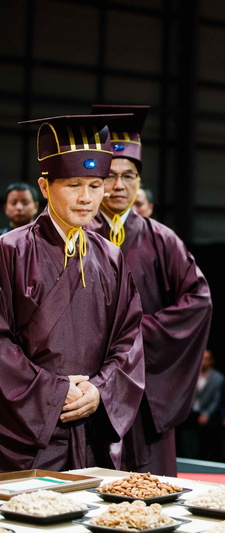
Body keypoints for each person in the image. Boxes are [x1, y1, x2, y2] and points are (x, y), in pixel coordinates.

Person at [0, 113, 145, 471]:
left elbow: (128, 340)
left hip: (92, 427)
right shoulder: (9, 251)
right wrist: (52, 391)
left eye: (95, 186)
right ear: (46, 187)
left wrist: (101, 390)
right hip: (29, 434)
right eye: (73, 185)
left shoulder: (110, 257)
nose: (86, 198)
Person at [86, 104, 213, 476]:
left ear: (139, 181)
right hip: (92, 391)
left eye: (130, 176)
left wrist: (137, 336)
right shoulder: (76, 237)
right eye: (110, 176)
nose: (119, 186)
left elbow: (198, 302)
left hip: (145, 392)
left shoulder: (163, 240)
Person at [177, 348, 225, 460]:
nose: (204, 361)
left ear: (212, 361)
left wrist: (207, 414)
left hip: (209, 417)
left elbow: (217, 400)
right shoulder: (192, 375)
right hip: (191, 414)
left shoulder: (218, 378)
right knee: (189, 442)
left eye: (207, 359)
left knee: (208, 444)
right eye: (202, 358)